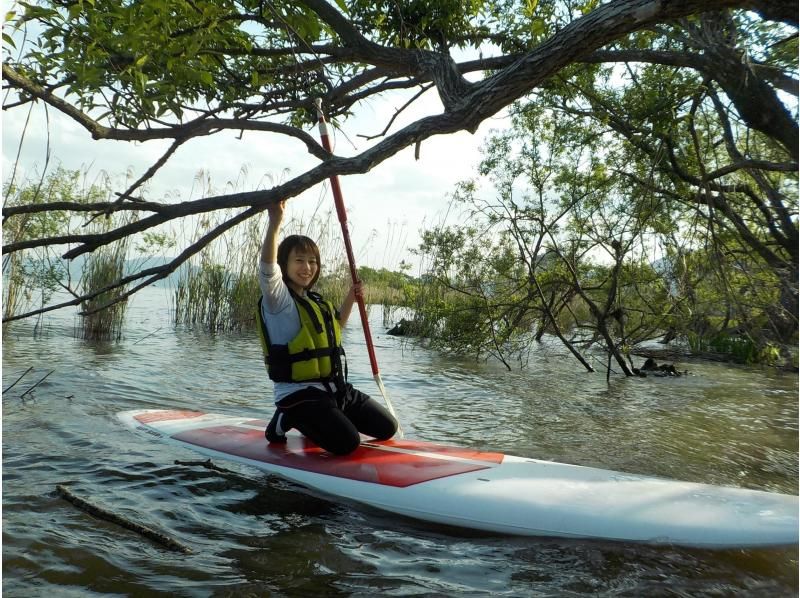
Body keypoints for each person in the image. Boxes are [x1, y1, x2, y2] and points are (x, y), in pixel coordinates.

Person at [257, 200, 398, 455]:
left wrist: (350, 298)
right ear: (284, 265)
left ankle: (326, 418)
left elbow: (336, 329)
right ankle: (286, 417)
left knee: (388, 427)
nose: (307, 267)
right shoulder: (277, 300)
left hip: (333, 389)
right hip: (298, 394)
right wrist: (275, 222)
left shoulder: (315, 301)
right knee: (348, 443)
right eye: (299, 260)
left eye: (312, 261)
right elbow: (267, 269)